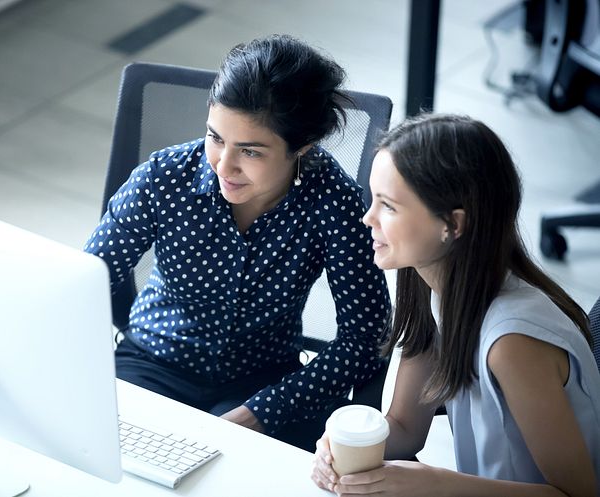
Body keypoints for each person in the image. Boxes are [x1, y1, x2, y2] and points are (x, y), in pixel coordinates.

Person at [83, 34, 391, 451]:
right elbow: (84, 284)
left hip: (263, 381)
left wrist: (265, 410)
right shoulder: (164, 177)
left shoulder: (332, 201)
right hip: (154, 362)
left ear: (302, 147)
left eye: (250, 151)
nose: (223, 166)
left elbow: (366, 337)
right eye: (216, 138)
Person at [311, 113, 600, 496]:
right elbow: (404, 429)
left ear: (452, 225)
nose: (368, 218)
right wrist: (337, 448)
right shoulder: (430, 285)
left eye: (389, 206)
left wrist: (435, 484)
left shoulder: (512, 343)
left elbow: (578, 494)